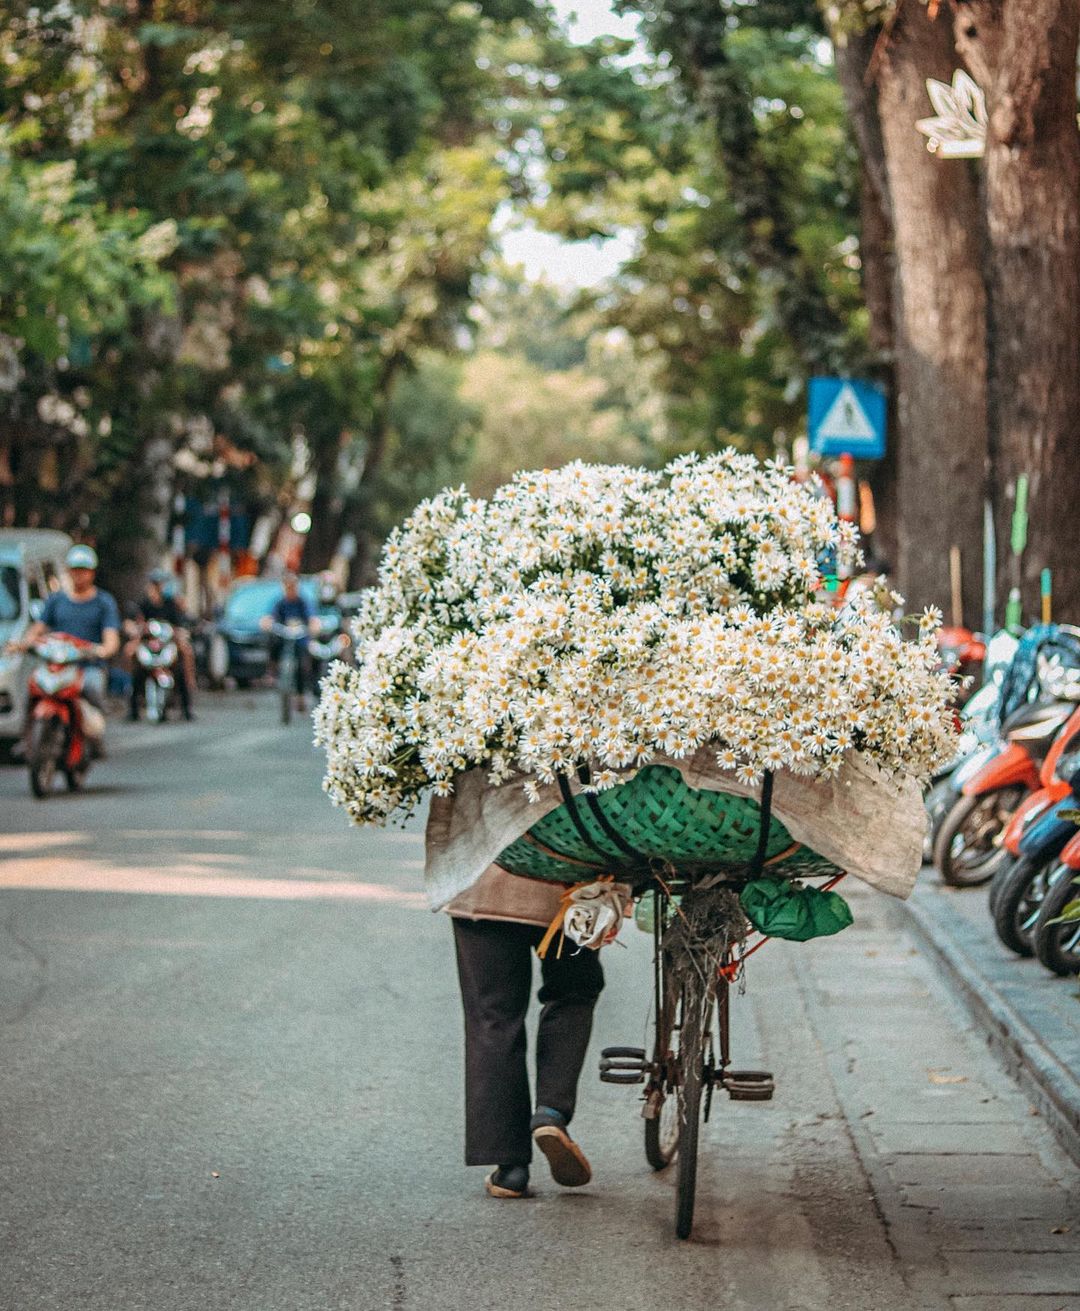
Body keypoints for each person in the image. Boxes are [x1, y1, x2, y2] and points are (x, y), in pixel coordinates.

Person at [446, 864, 604, 1199]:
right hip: (570, 891)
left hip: (483, 887)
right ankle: (551, 1112)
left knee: (494, 1017)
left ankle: (510, 1169)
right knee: (572, 993)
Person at [13, 544, 120, 713]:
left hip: (87, 666)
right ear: (69, 571)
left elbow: (111, 640)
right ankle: (28, 734)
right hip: (56, 665)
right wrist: (23, 643)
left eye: (84, 570)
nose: (79, 574)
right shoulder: (56, 600)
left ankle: (94, 728)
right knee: (30, 687)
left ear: (92, 572)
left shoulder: (104, 602)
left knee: (92, 687)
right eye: (75, 570)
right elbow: (38, 628)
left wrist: (101, 650)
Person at [125, 568, 195, 721]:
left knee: (184, 654)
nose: (157, 587)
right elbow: (134, 621)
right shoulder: (143, 603)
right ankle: (132, 708)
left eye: (159, 584)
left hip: (167, 642)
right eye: (154, 584)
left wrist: (181, 632)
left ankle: (187, 703)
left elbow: (179, 623)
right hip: (148, 643)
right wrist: (134, 630)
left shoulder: (170, 603)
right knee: (131, 656)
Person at [260, 572, 317, 709]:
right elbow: (270, 617)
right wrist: (267, 623)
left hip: (299, 638)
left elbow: (312, 618)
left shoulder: (303, 602)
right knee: (273, 642)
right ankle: (272, 669)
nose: (290, 589)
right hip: (284, 636)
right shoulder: (280, 603)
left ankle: (301, 695)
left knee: (302, 664)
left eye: (293, 586)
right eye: (287, 586)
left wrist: (313, 625)